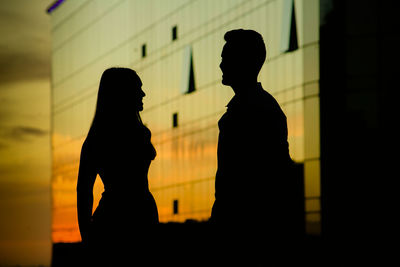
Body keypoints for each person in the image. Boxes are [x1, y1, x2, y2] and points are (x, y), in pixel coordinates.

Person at [210, 29, 298, 263]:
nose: (220, 65)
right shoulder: (254, 107)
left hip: (246, 233)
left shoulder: (258, 110)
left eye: (225, 58)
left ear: (243, 62)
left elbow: (267, 176)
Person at [76, 68, 158, 266]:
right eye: (138, 88)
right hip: (116, 221)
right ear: (123, 93)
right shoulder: (98, 139)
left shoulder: (139, 133)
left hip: (138, 217)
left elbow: (83, 191)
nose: (143, 94)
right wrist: (86, 236)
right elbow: (84, 191)